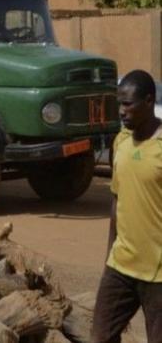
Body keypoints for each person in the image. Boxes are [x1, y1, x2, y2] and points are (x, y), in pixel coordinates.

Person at [91, 69, 162, 343]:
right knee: (100, 336)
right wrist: (110, 255)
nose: (121, 111)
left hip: (157, 272)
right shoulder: (120, 141)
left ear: (148, 101)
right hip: (121, 265)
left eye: (128, 104)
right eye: (119, 103)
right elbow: (116, 201)